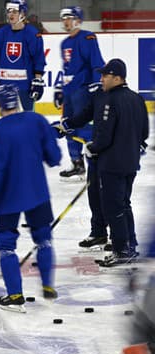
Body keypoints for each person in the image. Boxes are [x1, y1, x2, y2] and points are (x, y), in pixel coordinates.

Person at [0, 84, 61, 313]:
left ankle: (15, 295)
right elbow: (55, 157)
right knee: (44, 238)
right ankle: (48, 286)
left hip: (9, 196)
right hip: (37, 191)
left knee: (6, 243)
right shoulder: (37, 120)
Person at [61, 59, 149, 267]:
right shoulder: (137, 99)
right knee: (123, 203)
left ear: (117, 78)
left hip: (111, 163)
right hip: (129, 162)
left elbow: (104, 136)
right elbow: (144, 132)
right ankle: (130, 243)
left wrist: (93, 148)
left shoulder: (111, 100)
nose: (101, 79)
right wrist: (68, 124)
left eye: (105, 76)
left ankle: (121, 250)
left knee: (113, 205)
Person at [54, 6, 105, 182]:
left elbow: (96, 62)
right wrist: (59, 90)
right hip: (69, 92)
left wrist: (97, 83)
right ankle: (77, 163)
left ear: (78, 19)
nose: (66, 22)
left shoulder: (88, 37)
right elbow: (67, 70)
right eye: (64, 18)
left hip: (83, 91)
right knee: (67, 125)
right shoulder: (64, 43)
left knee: (83, 126)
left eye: (69, 17)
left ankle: (96, 158)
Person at [0, 0, 46, 111]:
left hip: (25, 84)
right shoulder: (1, 33)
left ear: (22, 13)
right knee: (7, 118)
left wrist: (38, 80)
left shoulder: (32, 33)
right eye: (9, 11)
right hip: (5, 83)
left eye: (14, 11)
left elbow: (38, 58)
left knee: (28, 117)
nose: (11, 14)